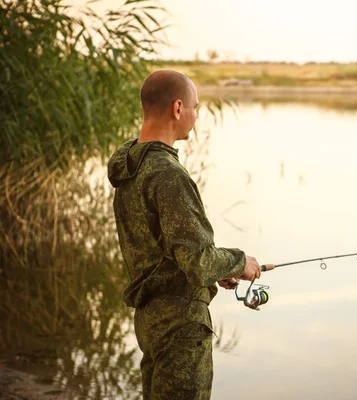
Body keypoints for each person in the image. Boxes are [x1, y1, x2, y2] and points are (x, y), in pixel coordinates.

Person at [107, 69, 262, 400]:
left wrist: (220, 271)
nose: (195, 115)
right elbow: (198, 262)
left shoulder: (131, 166)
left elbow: (172, 253)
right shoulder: (169, 175)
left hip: (150, 319)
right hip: (181, 326)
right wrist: (239, 262)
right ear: (178, 109)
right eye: (195, 107)